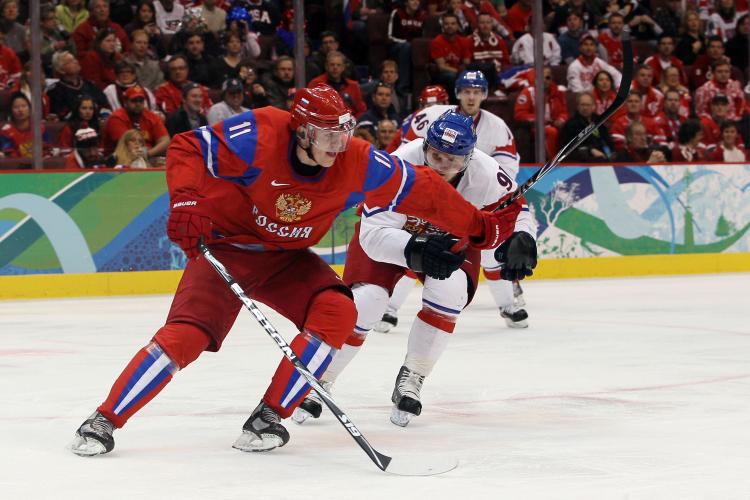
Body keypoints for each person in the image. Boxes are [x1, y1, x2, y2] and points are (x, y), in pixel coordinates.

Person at [68, 84, 525, 456]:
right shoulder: (259, 132)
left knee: (338, 312)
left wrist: (482, 228)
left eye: (343, 132)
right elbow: (187, 147)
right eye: (328, 135)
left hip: (287, 260)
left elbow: (424, 191)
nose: (339, 144)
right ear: (302, 131)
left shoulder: (357, 160)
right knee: (187, 335)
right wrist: (187, 199)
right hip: (229, 250)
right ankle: (104, 419)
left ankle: (269, 416)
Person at [291, 110, 536, 427]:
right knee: (366, 303)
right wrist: (415, 249)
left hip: (449, 240)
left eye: (454, 159)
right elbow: (373, 234)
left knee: (450, 292)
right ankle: (322, 378)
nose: (444, 167)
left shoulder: (486, 172)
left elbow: (517, 211)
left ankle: (413, 376)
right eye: (436, 156)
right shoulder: (398, 165)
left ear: (470, 156)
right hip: (393, 239)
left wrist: (524, 238)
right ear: (424, 148)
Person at [381, 70, 530, 331]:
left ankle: (509, 305)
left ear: (484, 95)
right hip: (424, 195)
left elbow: (505, 172)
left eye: (476, 91)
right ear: (457, 93)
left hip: (470, 196)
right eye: (466, 91)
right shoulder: (428, 116)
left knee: (489, 249)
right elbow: (408, 150)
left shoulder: (497, 128)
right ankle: (389, 309)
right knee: (415, 247)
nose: (470, 97)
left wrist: (487, 195)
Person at [513, 67, 568, 158]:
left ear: (551, 79)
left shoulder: (558, 93)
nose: (544, 80)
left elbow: (564, 112)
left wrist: (560, 120)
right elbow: (519, 115)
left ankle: (570, 163)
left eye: (547, 78)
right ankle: (553, 162)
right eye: (541, 77)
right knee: (551, 132)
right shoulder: (528, 92)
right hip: (534, 127)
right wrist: (539, 120)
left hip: (554, 124)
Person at [102, 85, 169, 158]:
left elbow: (165, 141)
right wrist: (145, 154)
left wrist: (148, 154)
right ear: (125, 102)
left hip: (148, 157)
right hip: (121, 160)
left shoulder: (151, 117)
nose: (138, 104)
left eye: (141, 101)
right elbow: (127, 144)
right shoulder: (116, 118)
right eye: (134, 101)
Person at [47, 50, 109, 120]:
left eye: (74, 59)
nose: (76, 62)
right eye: (70, 61)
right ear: (61, 70)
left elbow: (104, 104)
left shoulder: (89, 84)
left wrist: (104, 116)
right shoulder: (55, 91)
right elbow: (60, 114)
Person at [308, 51, 367, 118]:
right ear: (326, 66)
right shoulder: (316, 83)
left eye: (338, 65)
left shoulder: (353, 85)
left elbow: (361, 110)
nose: (335, 67)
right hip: (323, 123)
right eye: (332, 64)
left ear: (343, 67)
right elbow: (309, 107)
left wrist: (354, 121)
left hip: (349, 124)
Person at [558, 93, 614, 162]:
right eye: (582, 105)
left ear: (593, 106)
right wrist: (590, 150)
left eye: (588, 105)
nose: (585, 108)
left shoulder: (599, 120)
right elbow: (567, 148)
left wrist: (611, 152)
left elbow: (607, 140)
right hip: (583, 159)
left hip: (603, 155)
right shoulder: (571, 124)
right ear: (578, 106)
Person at [0, 92, 48, 159]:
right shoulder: (6, 131)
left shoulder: (40, 128)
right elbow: (9, 155)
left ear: (30, 109)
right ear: (11, 111)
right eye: (16, 107)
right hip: (17, 166)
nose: (20, 110)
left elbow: (47, 150)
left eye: (24, 106)